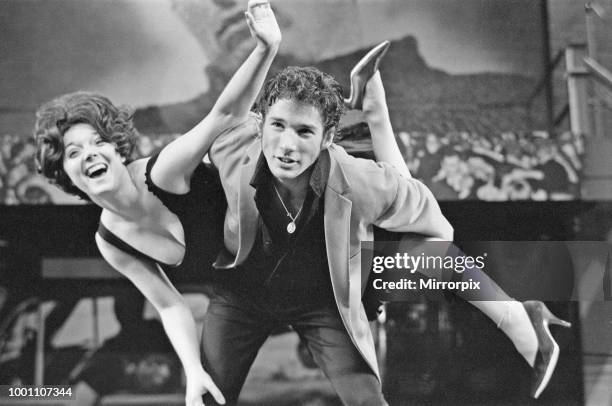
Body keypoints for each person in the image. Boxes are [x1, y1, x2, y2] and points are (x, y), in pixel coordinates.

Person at [206, 60, 572, 404]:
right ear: (259, 124)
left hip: (325, 298)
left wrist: (379, 118)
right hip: (243, 291)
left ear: (327, 137)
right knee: (205, 395)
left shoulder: (364, 181)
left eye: (304, 131)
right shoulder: (231, 147)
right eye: (278, 126)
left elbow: (438, 232)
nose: (286, 145)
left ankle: (518, 320)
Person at [34, 2, 281, 405]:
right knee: (207, 396)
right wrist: (192, 371)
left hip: (294, 231)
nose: (92, 154)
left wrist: (265, 48)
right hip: (248, 290)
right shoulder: (111, 242)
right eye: (74, 152)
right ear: (64, 173)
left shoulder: (162, 172)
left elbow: (224, 115)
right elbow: (170, 306)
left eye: (99, 143)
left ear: (117, 150)